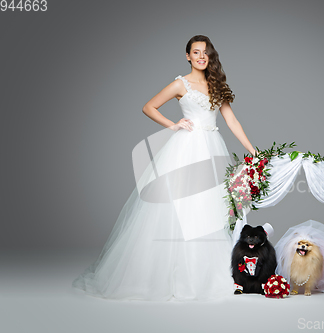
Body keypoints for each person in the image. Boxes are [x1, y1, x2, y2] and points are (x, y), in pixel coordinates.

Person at [72, 35, 256, 301]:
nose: (201, 56)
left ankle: (205, 275)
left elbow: (232, 121)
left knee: (207, 208)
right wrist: (173, 125)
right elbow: (149, 106)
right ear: (188, 56)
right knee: (176, 209)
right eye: (196, 52)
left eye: (205, 52)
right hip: (187, 148)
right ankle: (168, 276)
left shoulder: (217, 84)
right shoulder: (180, 83)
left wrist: (253, 151)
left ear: (210, 56)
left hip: (212, 148)